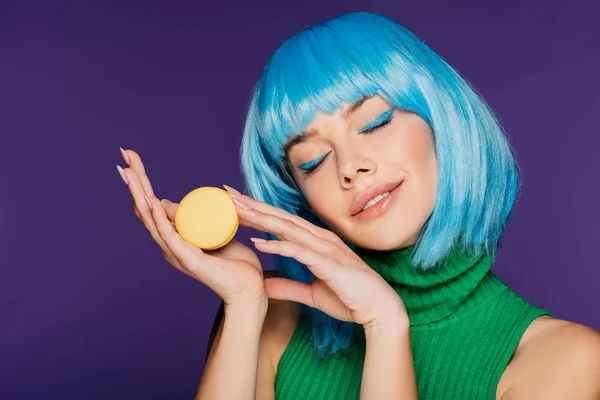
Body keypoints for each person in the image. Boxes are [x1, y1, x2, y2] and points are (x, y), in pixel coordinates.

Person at [116, 11, 600, 400]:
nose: (350, 167)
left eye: (375, 122)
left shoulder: (566, 360)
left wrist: (386, 325)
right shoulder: (273, 319)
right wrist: (244, 304)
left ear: (443, 119)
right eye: (313, 161)